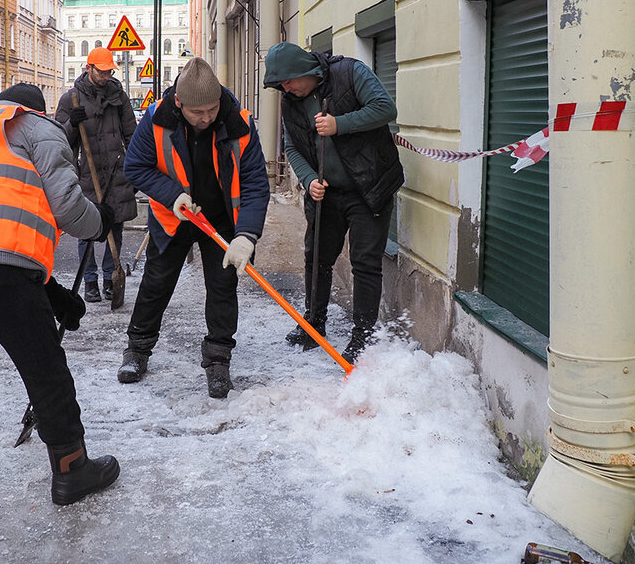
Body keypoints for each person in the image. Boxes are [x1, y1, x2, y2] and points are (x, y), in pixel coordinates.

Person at [0, 82, 120, 506]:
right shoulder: (35, 126)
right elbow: (66, 207)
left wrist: (51, 294)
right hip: (0, 265)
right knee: (45, 368)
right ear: (37, 109)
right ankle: (71, 469)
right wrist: (100, 222)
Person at [120, 57, 269, 398]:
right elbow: (136, 167)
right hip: (176, 215)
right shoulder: (157, 120)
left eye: (212, 109)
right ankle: (137, 349)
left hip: (221, 218)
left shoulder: (239, 123)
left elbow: (256, 184)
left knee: (222, 285)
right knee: (157, 282)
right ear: (179, 103)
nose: (206, 118)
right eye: (197, 112)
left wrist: (246, 235)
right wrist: (173, 196)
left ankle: (218, 358)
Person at [262, 41, 404, 363]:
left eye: (288, 81)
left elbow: (385, 108)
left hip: (369, 187)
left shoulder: (350, 72)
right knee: (317, 257)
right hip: (326, 193)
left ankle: (363, 337)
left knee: (365, 263)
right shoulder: (291, 102)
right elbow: (293, 147)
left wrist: (340, 124)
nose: (286, 89)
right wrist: (309, 179)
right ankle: (314, 323)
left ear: (306, 70)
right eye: (280, 85)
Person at [54, 47, 137, 303]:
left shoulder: (119, 97)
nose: (105, 76)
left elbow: (131, 135)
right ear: (89, 68)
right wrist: (72, 124)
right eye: (101, 71)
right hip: (87, 173)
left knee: (116, 227)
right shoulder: (71, 99)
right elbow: (59, 141)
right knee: (87, 230)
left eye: (109, 71)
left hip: (116, 171)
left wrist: (134, 169)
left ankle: (110, 278)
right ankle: (89, 281)